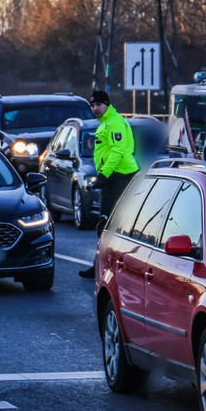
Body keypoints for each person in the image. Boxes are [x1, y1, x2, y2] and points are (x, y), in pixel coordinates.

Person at [79, 90, 139, 279]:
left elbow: (117, 152)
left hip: (119, 176)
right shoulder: (106, 123)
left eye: (98, 105)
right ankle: (101, 265)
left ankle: (105, 267)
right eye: (92, 105)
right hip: (114, 177)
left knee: (108, 224)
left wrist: (104, 175)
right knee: (108, 225)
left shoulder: (114, 123)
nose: (94, 108)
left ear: (107, 104)